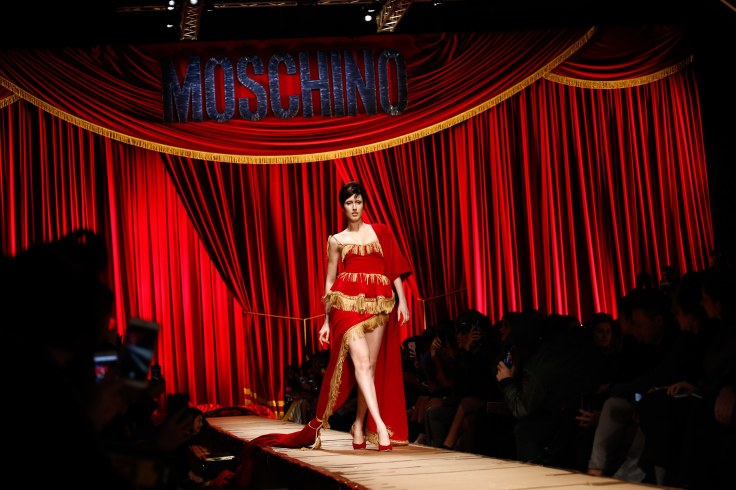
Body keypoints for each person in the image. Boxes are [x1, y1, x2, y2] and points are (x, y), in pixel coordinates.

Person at [233, 181, 412, 485]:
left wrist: (403, 302)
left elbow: (394, 268)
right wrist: (327, 321)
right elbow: (330, 280)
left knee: (369, 367)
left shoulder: (381, 231)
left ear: (364, 204)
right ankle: (380, 426)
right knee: (362, 363)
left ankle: (359, 425)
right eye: (349, 203)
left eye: (358, 202)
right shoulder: (337, 240)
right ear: (342, 207)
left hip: (379, 301)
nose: (354, 207)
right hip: (345, 303)